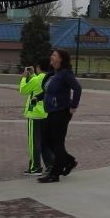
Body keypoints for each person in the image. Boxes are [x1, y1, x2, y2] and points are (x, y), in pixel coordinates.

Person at [38, 48, 82, 183]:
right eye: (52, 55)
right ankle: (69, 161)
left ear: (61, 59)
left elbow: (77, 88)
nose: (51, 57)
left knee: (58, 142)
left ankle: (54, 174)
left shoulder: (65, 74)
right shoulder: (53, 73)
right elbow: (48, 91)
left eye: (54, 55)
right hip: (52, 111)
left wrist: (74, 106)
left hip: (62, 111)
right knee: (46, 140)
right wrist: (37, 97)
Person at [19, 57, 55, 175]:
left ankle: (35, 167)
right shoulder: (50, 78)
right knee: (45, 141)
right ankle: (51, 165)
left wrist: (24, 78)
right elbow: (39, 86)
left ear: (38, 67)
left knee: (34, 142)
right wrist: (33, 75)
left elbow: (23, 90)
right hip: (46, 113)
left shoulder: (37, 79)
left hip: (35, 113)